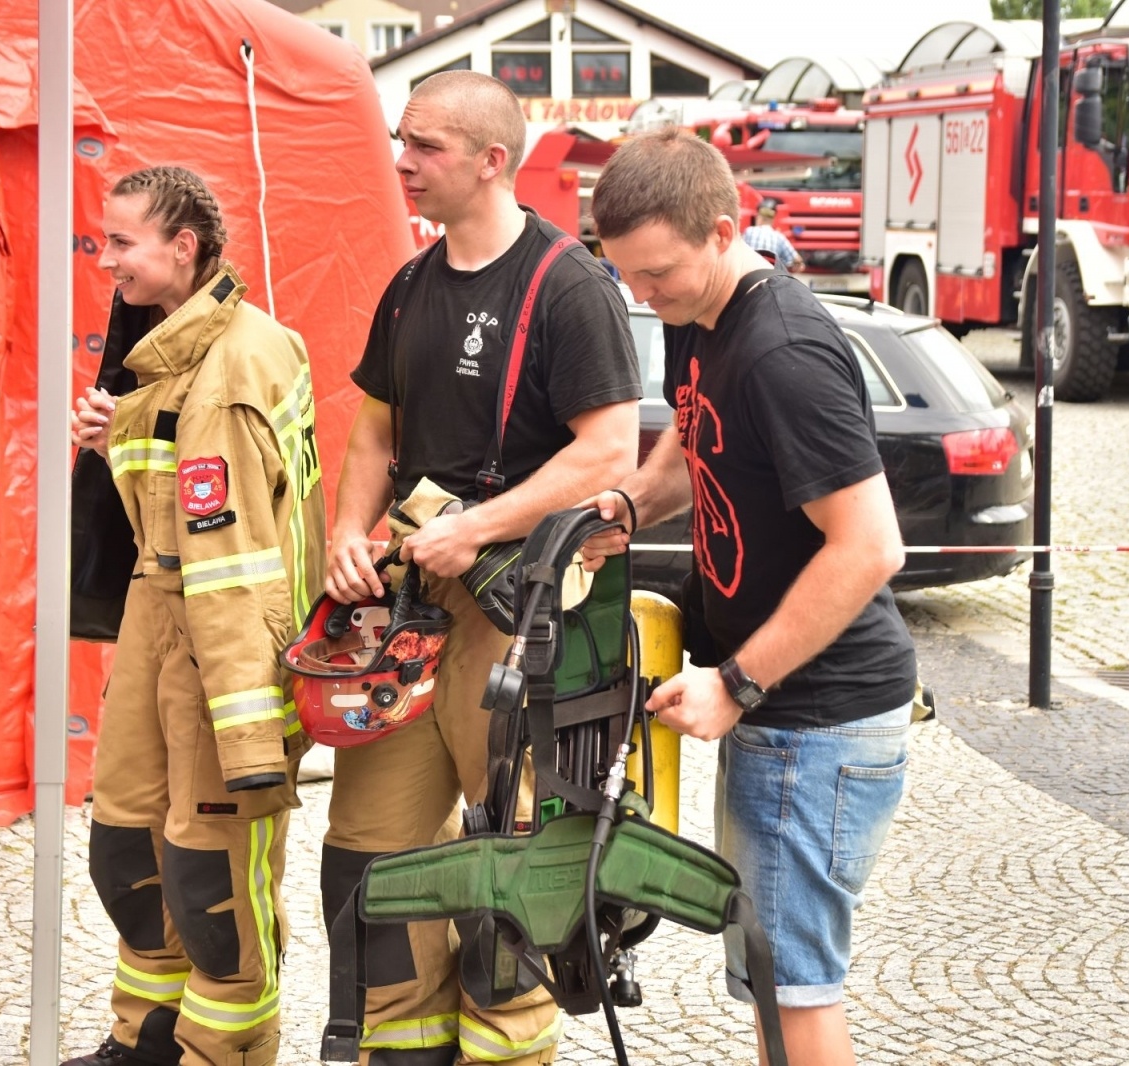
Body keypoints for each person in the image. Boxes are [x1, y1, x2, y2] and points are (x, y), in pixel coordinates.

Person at [322, 70, 640, 1065]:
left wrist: (477, 527)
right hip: (406, 613)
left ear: (492, 160)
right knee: (372, 858)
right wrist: (347, 526)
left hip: (522, 615)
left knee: (507, 866)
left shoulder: (568, 287)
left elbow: (607, 451)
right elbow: (375, 428)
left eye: (423, 146)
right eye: (399, 141)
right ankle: (398, 1049)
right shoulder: (412, 283)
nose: (401, 162)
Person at [584, 128, 917, 1066]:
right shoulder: (702, 318)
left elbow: (869, 548)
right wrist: (630, 504)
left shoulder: (782, 351)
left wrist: (735, 684)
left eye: (658, 275)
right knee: (771, 981)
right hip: (785, 713)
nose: (644, 298)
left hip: (818, 718)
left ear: (725, 230)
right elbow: (692, 437)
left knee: (796, 987)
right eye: (627, 279)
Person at [65, 165, 326, 1066]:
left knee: (211, 888)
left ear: (185, 247)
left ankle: (224, 1052)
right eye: (103, 241)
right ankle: (144, 1041)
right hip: (158, 617)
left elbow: (243, 565)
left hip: (223, 652)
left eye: (123, 242)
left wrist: (253, 731)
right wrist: (117, 437)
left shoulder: (237, 364)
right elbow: (175, 513)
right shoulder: (169, 351)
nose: (108, 261)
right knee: (125, 858)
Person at [741, 198, 802, 274]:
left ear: (759, 217)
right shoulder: (779, 237)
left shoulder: (749, 231)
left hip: (749, 278)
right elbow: (797, 260)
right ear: (773, 219)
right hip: (771, 280)